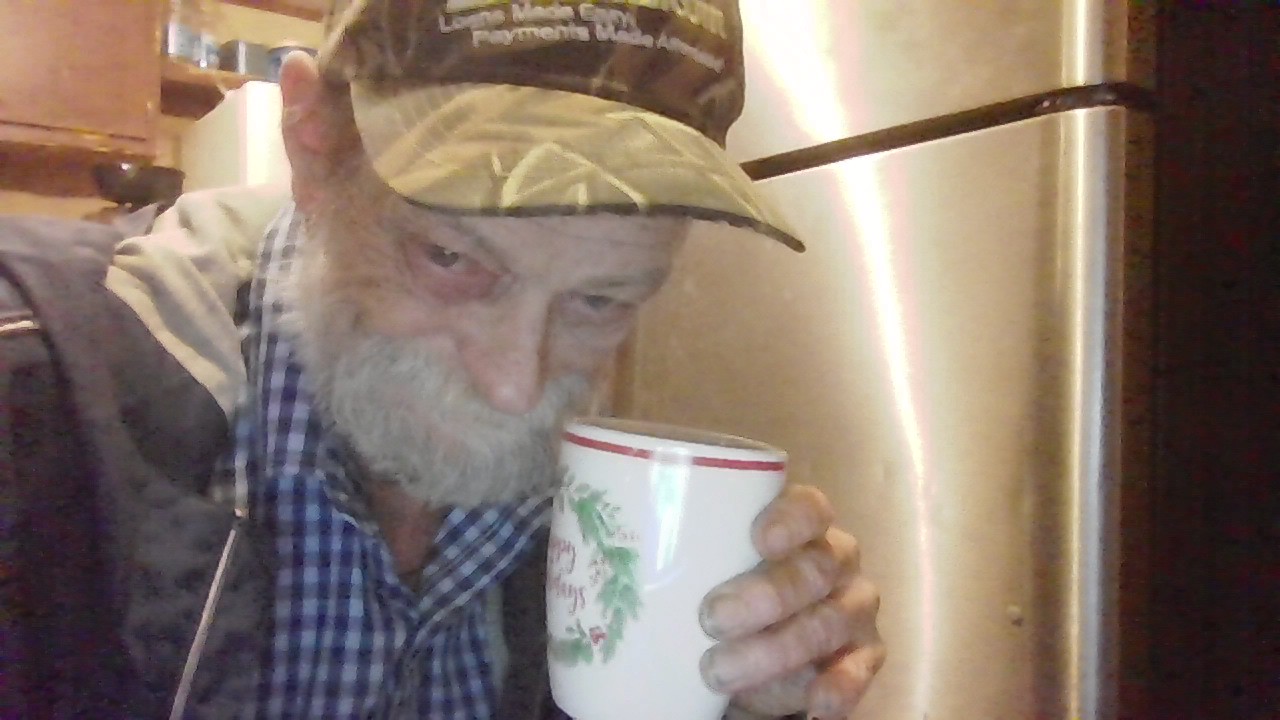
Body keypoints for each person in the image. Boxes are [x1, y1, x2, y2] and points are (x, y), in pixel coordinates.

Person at [0, 0, 884, 718]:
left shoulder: (611, 516)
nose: (516, 387)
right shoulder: (28, 406)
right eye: (452, 259)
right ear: (314, 140)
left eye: (601, 301)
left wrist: (738, 696)